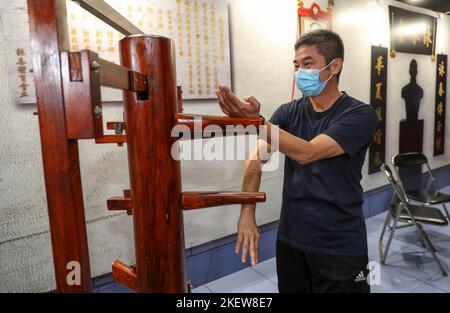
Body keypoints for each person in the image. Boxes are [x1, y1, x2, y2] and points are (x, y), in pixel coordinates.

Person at [216, 30, 377, 293]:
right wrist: (247, 211)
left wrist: (257, 123)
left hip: (340, 245)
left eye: (308, 64)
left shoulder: (359, 114)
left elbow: (308, 152)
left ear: (334, 66)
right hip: (291, 240)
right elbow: (255, 159)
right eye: (296, 65)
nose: (300, 72)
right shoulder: (288, 112)